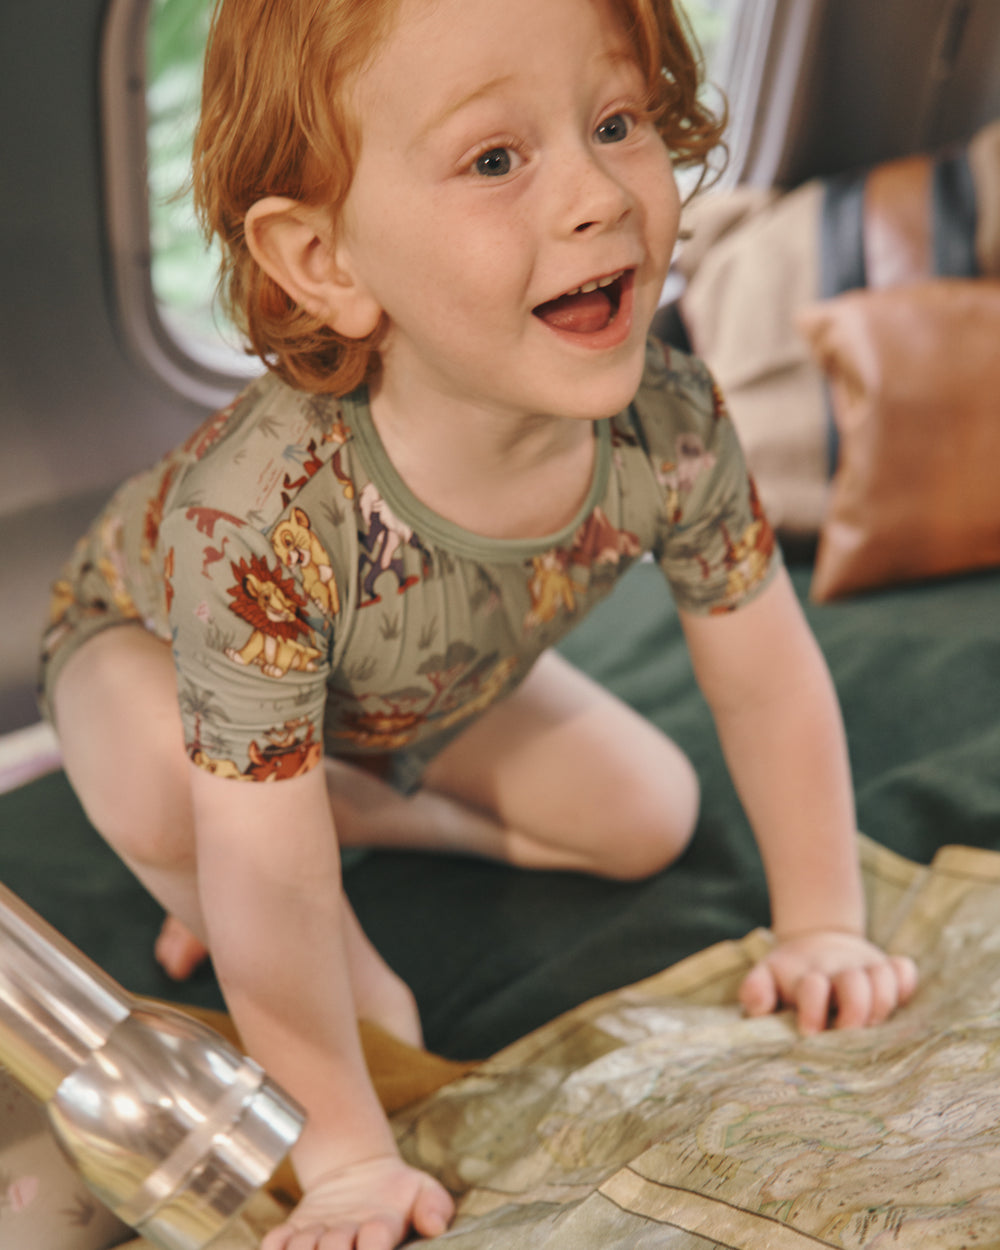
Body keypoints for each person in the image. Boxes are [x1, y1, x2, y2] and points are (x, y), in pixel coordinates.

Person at [39, 0, 919, 1245]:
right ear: (324, 260)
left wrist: (822, 919)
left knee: (648, 818)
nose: (597, 197)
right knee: (346, 984)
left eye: (614, 123)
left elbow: (767, 679)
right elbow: (278, 906)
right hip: (142, 644)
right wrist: (347, 1153)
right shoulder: (264, 518)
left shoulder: (668, 423)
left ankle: (330, 804)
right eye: (495, 158)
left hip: (408, 682)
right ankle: (244, 825)